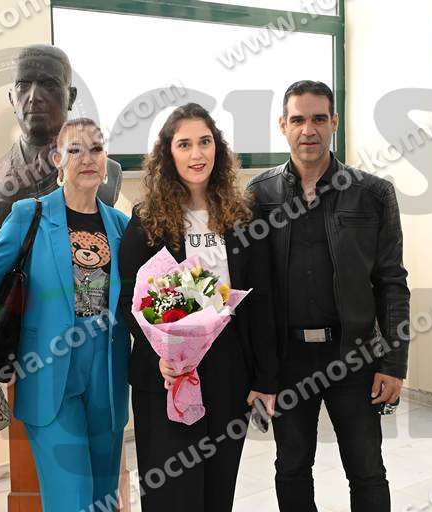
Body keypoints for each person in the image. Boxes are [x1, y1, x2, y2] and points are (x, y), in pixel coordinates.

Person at [246, 80, 410, 511]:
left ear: (334, 123)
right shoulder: (259, 195)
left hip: (354, 355)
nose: (309, 129)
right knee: (291, 467)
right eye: (298, 119)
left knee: (367, 470)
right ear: (282, 125)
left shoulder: (373, 194)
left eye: (319, 118)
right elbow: (249, 291)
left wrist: (394, 363)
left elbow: (392, 283)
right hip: (288, 360)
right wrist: (259, 372)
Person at [119, 103, 278, 511]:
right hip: (168, 374)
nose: (196, 154)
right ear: (168, 154)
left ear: (217, 149)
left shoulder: (242, 218)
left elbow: (260, 302)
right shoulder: (147, 220)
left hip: (229, 370)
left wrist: (265, 378)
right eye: (185, 144)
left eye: (205, 142)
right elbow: (129, 300)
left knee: (217, 488)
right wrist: (161, 356)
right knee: (171, 490)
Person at [0, 118, 130, 512]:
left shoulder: (122, 226)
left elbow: (145, 299)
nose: (87, 158)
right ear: (58, 159)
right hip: (49, 375)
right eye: (75, 149)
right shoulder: (30, 215)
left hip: (108, 378)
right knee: (71, 500)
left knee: (103, 500)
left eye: (96, 149)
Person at [0, 44, 122, 240]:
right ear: (12, 99)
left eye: (49, 84)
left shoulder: (107, 172)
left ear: (71, 97)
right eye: (23, 85)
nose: (34, 97)